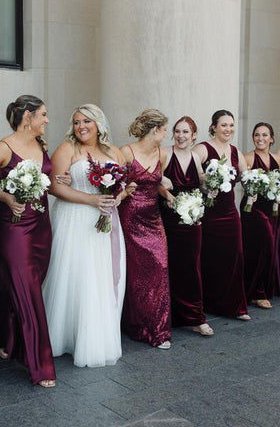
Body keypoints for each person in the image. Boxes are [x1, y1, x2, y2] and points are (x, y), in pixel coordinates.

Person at [0, 95, 57, 388]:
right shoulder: (3, 147)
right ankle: (41, 363)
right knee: (29, 291)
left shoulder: (40, 144)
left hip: (41, 226)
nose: (47, 120)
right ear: (28, 116)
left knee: (3, 281)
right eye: (44, 115)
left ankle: (0, 340)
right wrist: (4, 196)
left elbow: (47, 179)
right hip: (14, 226)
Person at [42, 103, 126, 367]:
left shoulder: (114, 151)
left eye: (86, 121)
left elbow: (123, 186)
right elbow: (54, 187)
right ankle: (63, 334)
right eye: (77, 122)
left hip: (105, 219)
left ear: (99, 123)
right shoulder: (68, 149)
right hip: (74, 219)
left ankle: (95, 337)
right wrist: (91, 200)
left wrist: (115, 198)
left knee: (100, 275)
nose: (81, 127)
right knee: (75, 274)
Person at [118, 109, 172, 349]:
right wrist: (123, 190)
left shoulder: (163, 154)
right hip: (130, 217)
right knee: (136, 273)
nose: (165, 134)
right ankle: (136, 324)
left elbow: (156, 182)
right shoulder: (126, 152)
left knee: (160, 266)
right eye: (164, 130)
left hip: (153, 217)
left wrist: (167, 194)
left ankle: (159, 328)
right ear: (155, 130)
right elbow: (114, 183)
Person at [193, 110, 249, 320]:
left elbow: (245, 175)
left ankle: (233, 305)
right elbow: (191, 172)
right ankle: (209, 302)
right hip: (209, 213)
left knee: (234, 257)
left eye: (231, 125)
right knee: (209, 256)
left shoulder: (235, 151)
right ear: (214, 126)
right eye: (223, 125)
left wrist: (257, 183)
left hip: (229, 213)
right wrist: (205, 182)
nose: (228, 129)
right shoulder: (203, 148)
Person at [161, 116, 213, 336]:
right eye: (177, 131)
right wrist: (163, 188)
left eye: (186, 132)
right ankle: (168, 316)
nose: (181, 136)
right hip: (167, 219)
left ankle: (195, 317)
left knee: (191, 267)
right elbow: (152, 179)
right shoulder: (165, 153)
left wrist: (213, 183)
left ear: (194, 136)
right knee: (168, 266)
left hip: (192, 220)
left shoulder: (194, 156)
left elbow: (201, 182)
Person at [241, 123, 280, 309]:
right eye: (257, 135)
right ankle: (256, 292)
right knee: (261, 244)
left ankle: (264, 287)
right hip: (253, 208)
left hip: (271, 208)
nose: (260, 138)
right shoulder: (248, 157)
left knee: (268, 248)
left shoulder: (277, 159)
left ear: (271, 138)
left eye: (265, 135)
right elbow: (244, 182)